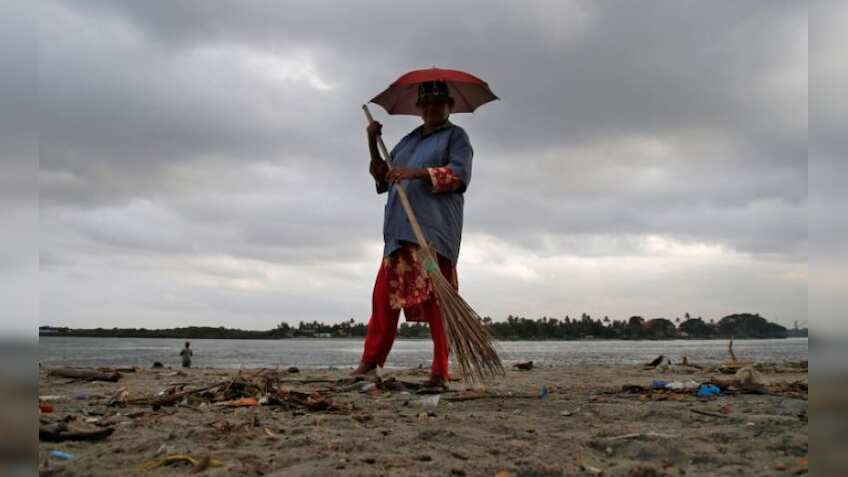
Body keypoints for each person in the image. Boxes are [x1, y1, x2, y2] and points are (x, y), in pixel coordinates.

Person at [353, 80, 473, 389]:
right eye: (427, 104)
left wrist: (416, 174)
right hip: (398, 232)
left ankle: (439, 372)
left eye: (439, 103)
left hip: (432, 233)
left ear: (450, 107)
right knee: (383, 298)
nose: (432, 109)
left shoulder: (456, 138)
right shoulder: (408, 142)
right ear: (419, 108)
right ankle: (370, 363)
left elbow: (458, 176)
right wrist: (372, 141)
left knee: (437, 303)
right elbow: (383, 179)